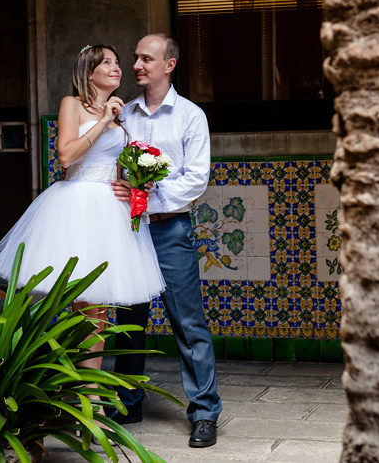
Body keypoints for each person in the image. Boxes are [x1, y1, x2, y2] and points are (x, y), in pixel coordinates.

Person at [0, 44, 166, 376]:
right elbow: (66, 157)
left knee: (98, 310)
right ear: (89, 72)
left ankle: (92, 395)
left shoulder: (120, 112)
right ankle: (56, 383)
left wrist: (136, 182)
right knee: (75, 301)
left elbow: (116, 165)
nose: (117, 68)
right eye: (107, 62)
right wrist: (103, 121)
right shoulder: (73, 104)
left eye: (117, 62)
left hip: (109, 210)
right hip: (76, 205)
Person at [109, 33, 222, 448]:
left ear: (168, 64)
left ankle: (205, 412)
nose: (136, 65)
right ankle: (127, 403)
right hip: (130, 231)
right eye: (135, 58)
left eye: (145, 59)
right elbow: (113, 167)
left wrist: (147, 194)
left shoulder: (190, 116)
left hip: (171, 230)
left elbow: (196, 179)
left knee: (188, 323)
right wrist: (123, 189)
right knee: (128, 322)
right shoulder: (124, 114)